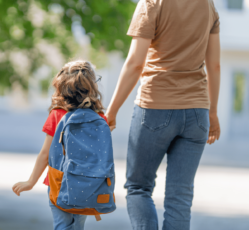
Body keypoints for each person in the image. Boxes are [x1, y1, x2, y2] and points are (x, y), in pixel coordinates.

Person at [105, 0, 221, 229]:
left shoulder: (151, 3)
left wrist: (112, 111)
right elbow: (214, 65)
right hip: (197, 112)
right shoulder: (208, 5)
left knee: (139, 187)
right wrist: (213, 113)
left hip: (155, 108)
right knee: (180, 198)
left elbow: (135, 64)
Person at [12, 60, 108, 230]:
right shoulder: (99, 118)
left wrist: (31, 182)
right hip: (87, 184)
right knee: (77, 227)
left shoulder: (57, 114)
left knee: (62, 226)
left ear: (61, 86)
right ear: (92, 87)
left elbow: (45, 154)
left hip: (58, 182)